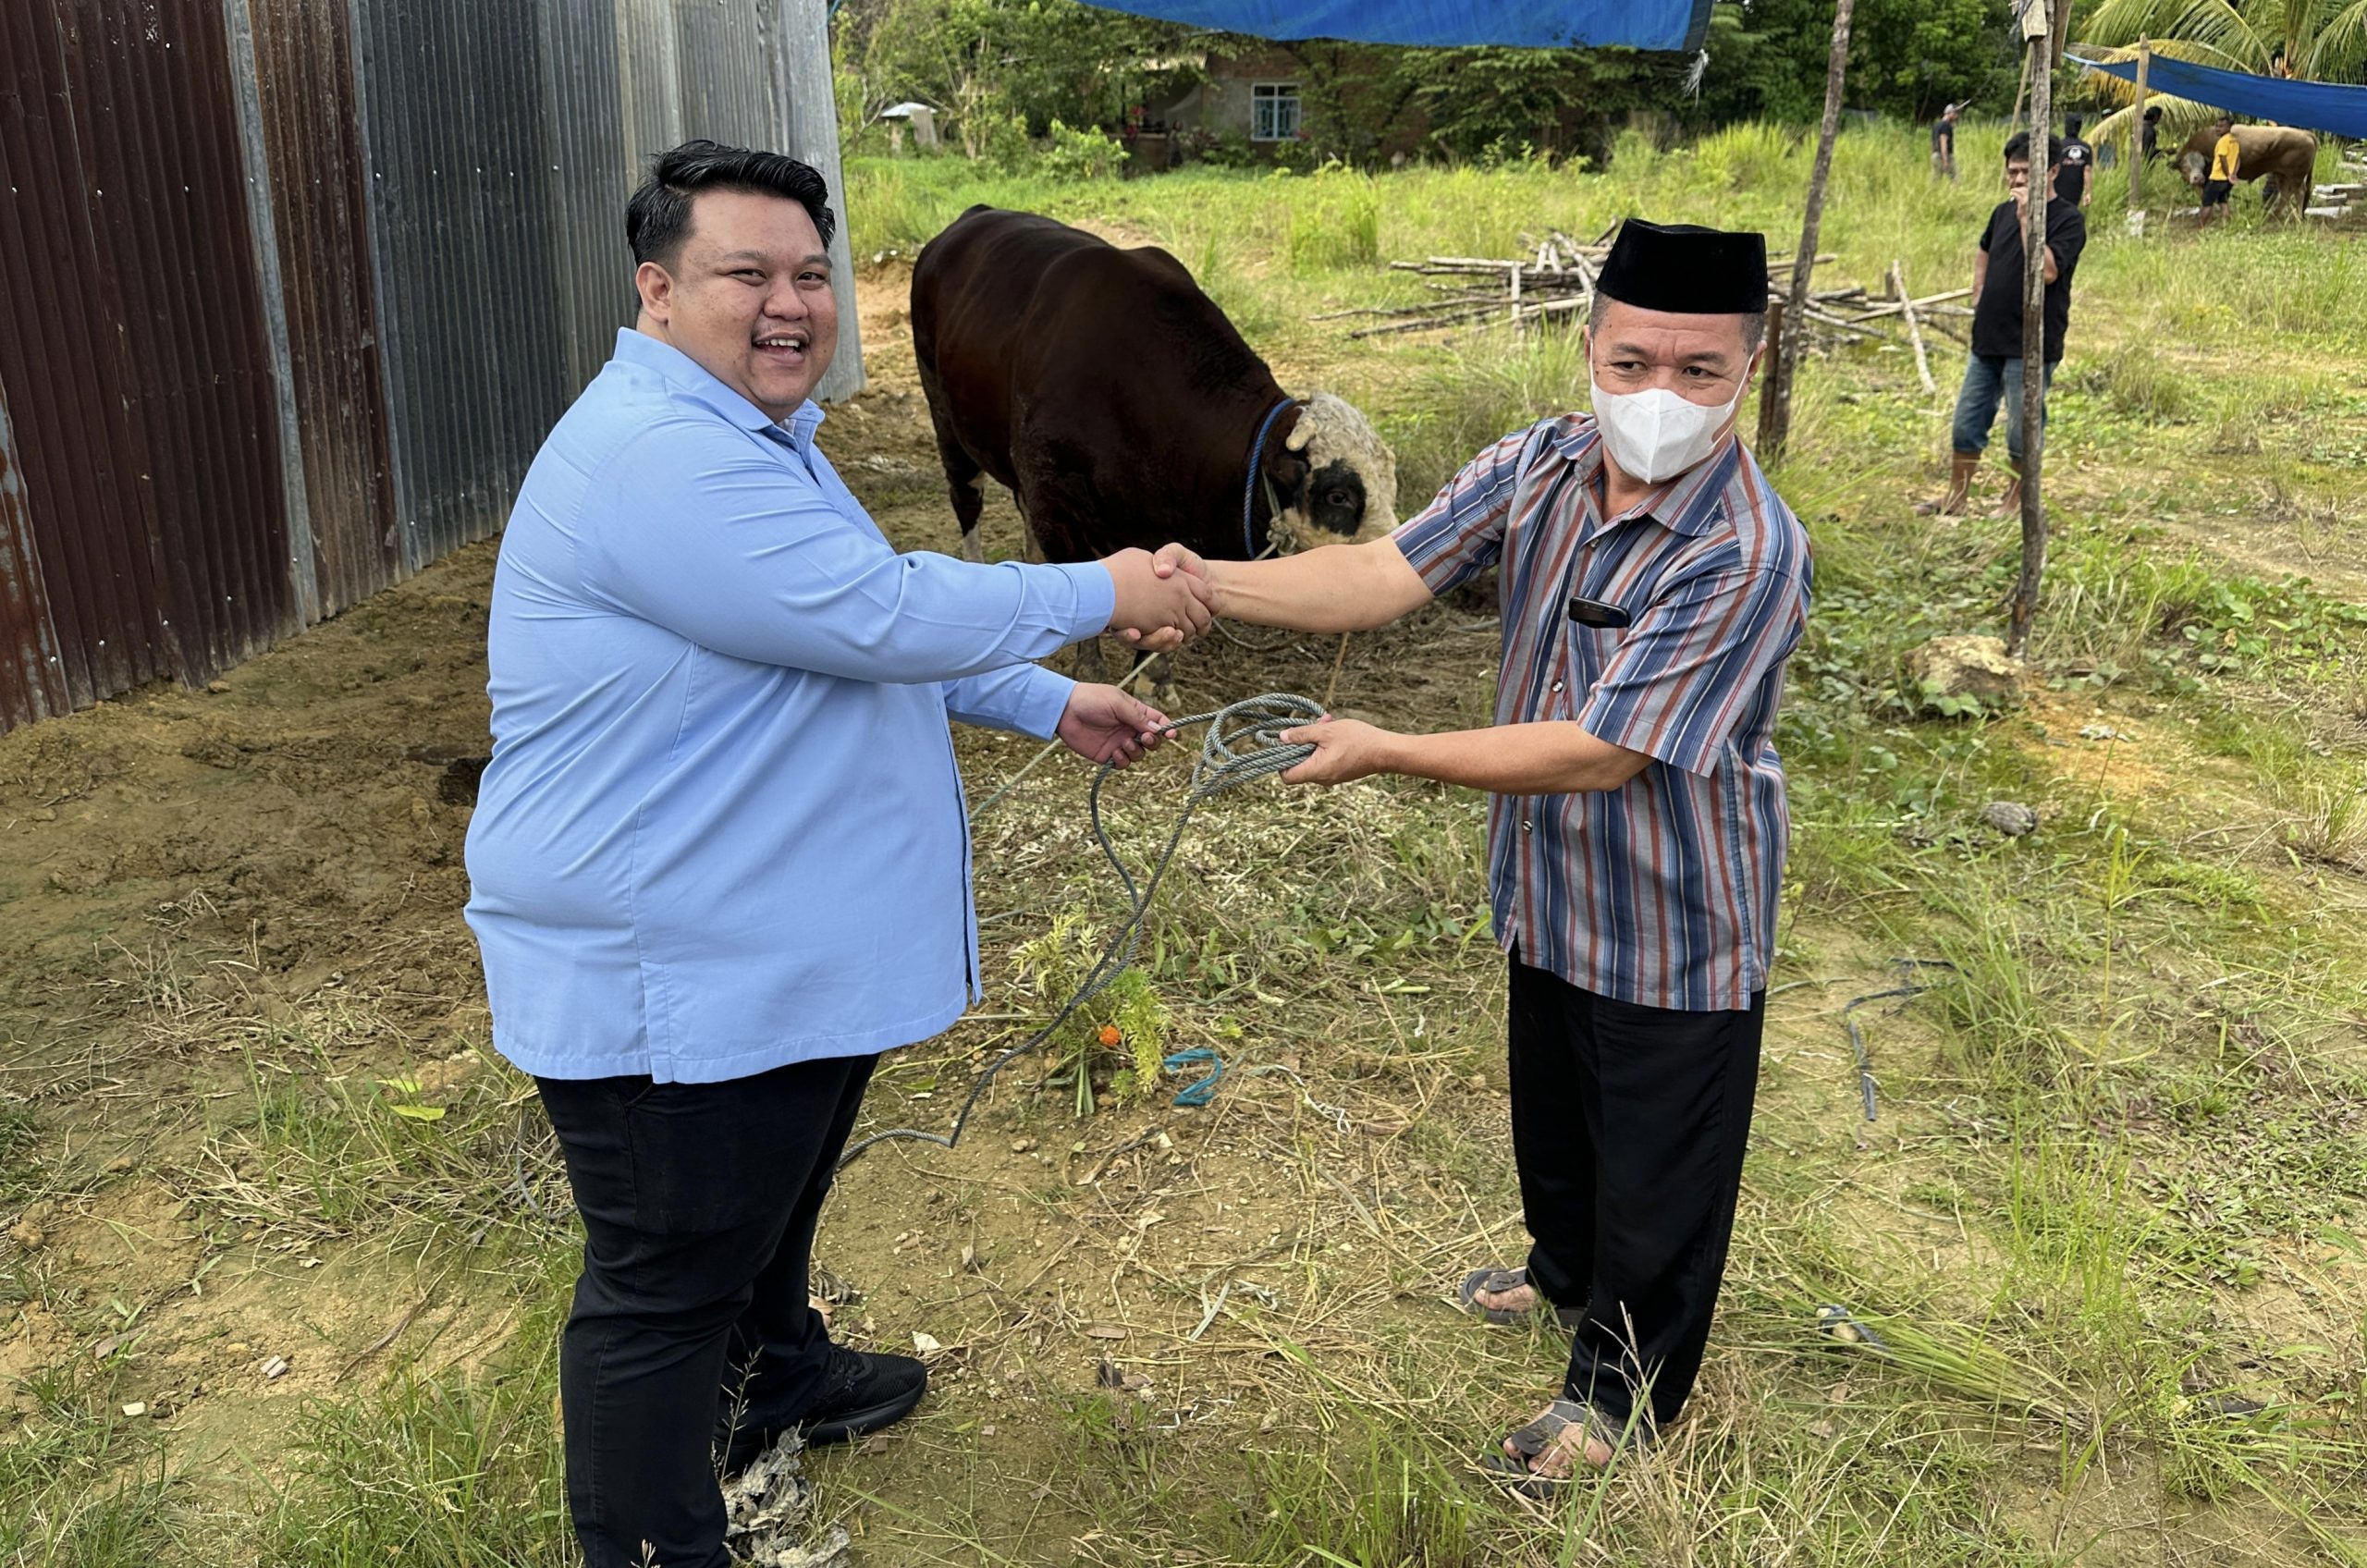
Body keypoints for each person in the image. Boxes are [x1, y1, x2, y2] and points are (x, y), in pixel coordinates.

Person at [462, 140, 1210, 1568]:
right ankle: (650, 1542)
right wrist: (1103, 585)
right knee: (665, 1285)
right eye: (747, 272)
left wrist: (1045, 698)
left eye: (811, 272)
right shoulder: (657, 454)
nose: (790, 301)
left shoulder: (755, 439)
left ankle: (778, 1383)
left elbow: (835, 632)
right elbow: (872, 616)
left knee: (768, 1204)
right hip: (670, 969)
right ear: (659, 289)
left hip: (766, 945)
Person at [1152, 219, 1810, 1490]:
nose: (1657, 399)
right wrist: (1204, 583)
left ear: (1751, 364)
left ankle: (1620, 1394)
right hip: (1551, 887)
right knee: (1557, 1123)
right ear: (1589, 346)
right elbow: (1383, 574)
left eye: (1697, 371)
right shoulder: (1541, 467)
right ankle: (1560, 1278)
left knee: (1658, 1172)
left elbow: (1601, 753)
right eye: (1630, 364)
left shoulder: (1745, 549)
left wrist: (1386, 747)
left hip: (1674, 914)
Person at [1920, 132, 2086, 517]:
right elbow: (1984, 247)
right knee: (1966, 422)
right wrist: (1978, 288)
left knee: (2021, 431)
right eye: (2013, 172)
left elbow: (2046, 271)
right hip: (1988, 337)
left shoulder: (2068, 220)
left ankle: (2015, 500)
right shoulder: (2000, 213)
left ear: (2054, 171)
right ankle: (1957, 497)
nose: (2017, 180)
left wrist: (2029, 218)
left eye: (2027, 172)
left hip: (2032, 343)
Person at [2201, 116, 2240, 225]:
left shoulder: (2223, 141)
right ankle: (2225, 225)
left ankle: (2201, 227)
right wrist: (2233, 174)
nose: (2218, 129)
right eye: (2217, 126)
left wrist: (2228, 174)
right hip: (2228, 181)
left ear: (2230, 127)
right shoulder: (2234, 141)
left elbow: (2223, 159)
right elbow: (2238, 159)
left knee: (2207, 203)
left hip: (2217, 178)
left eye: (2222, 126)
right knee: (2223, 202)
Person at [2057, 115, 2094, 208]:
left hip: (2057, 190)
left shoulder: (2058, 146)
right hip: (2076, 191)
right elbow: (2087, 171)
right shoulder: (2086, 148)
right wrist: (2088, 193)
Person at [1932, 102, 1961, 180]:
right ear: (1949, 113)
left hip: (1935, 155)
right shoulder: (1945, 125)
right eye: (1955, 113)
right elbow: (1943, 143)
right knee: (1956, 179)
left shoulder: (1937, 125)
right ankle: (1955, 192)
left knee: (1936, 181)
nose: (1957, 116)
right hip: (1944, 156)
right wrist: (1945, 161)